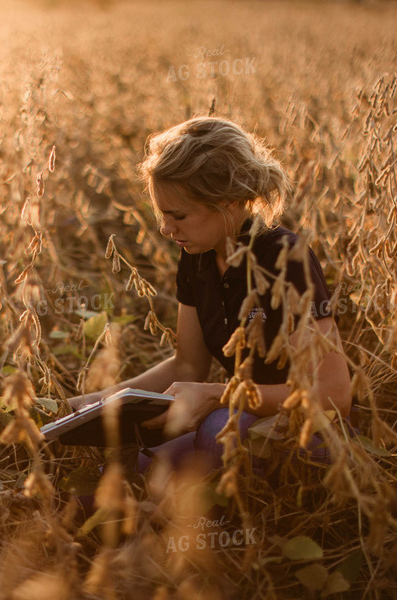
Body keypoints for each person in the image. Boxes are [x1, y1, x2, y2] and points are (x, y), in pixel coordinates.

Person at [70, 116, 352, 474]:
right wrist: (98, 402)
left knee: (219, 430)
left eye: (179, 215)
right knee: (138, 465)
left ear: (231, 202)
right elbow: (188, 364)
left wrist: (217, 395)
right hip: (239, 423)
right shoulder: (197, 257)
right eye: (162, 215)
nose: (165, 229)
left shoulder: (285, 259)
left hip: (308, 432)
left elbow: (334, 396)